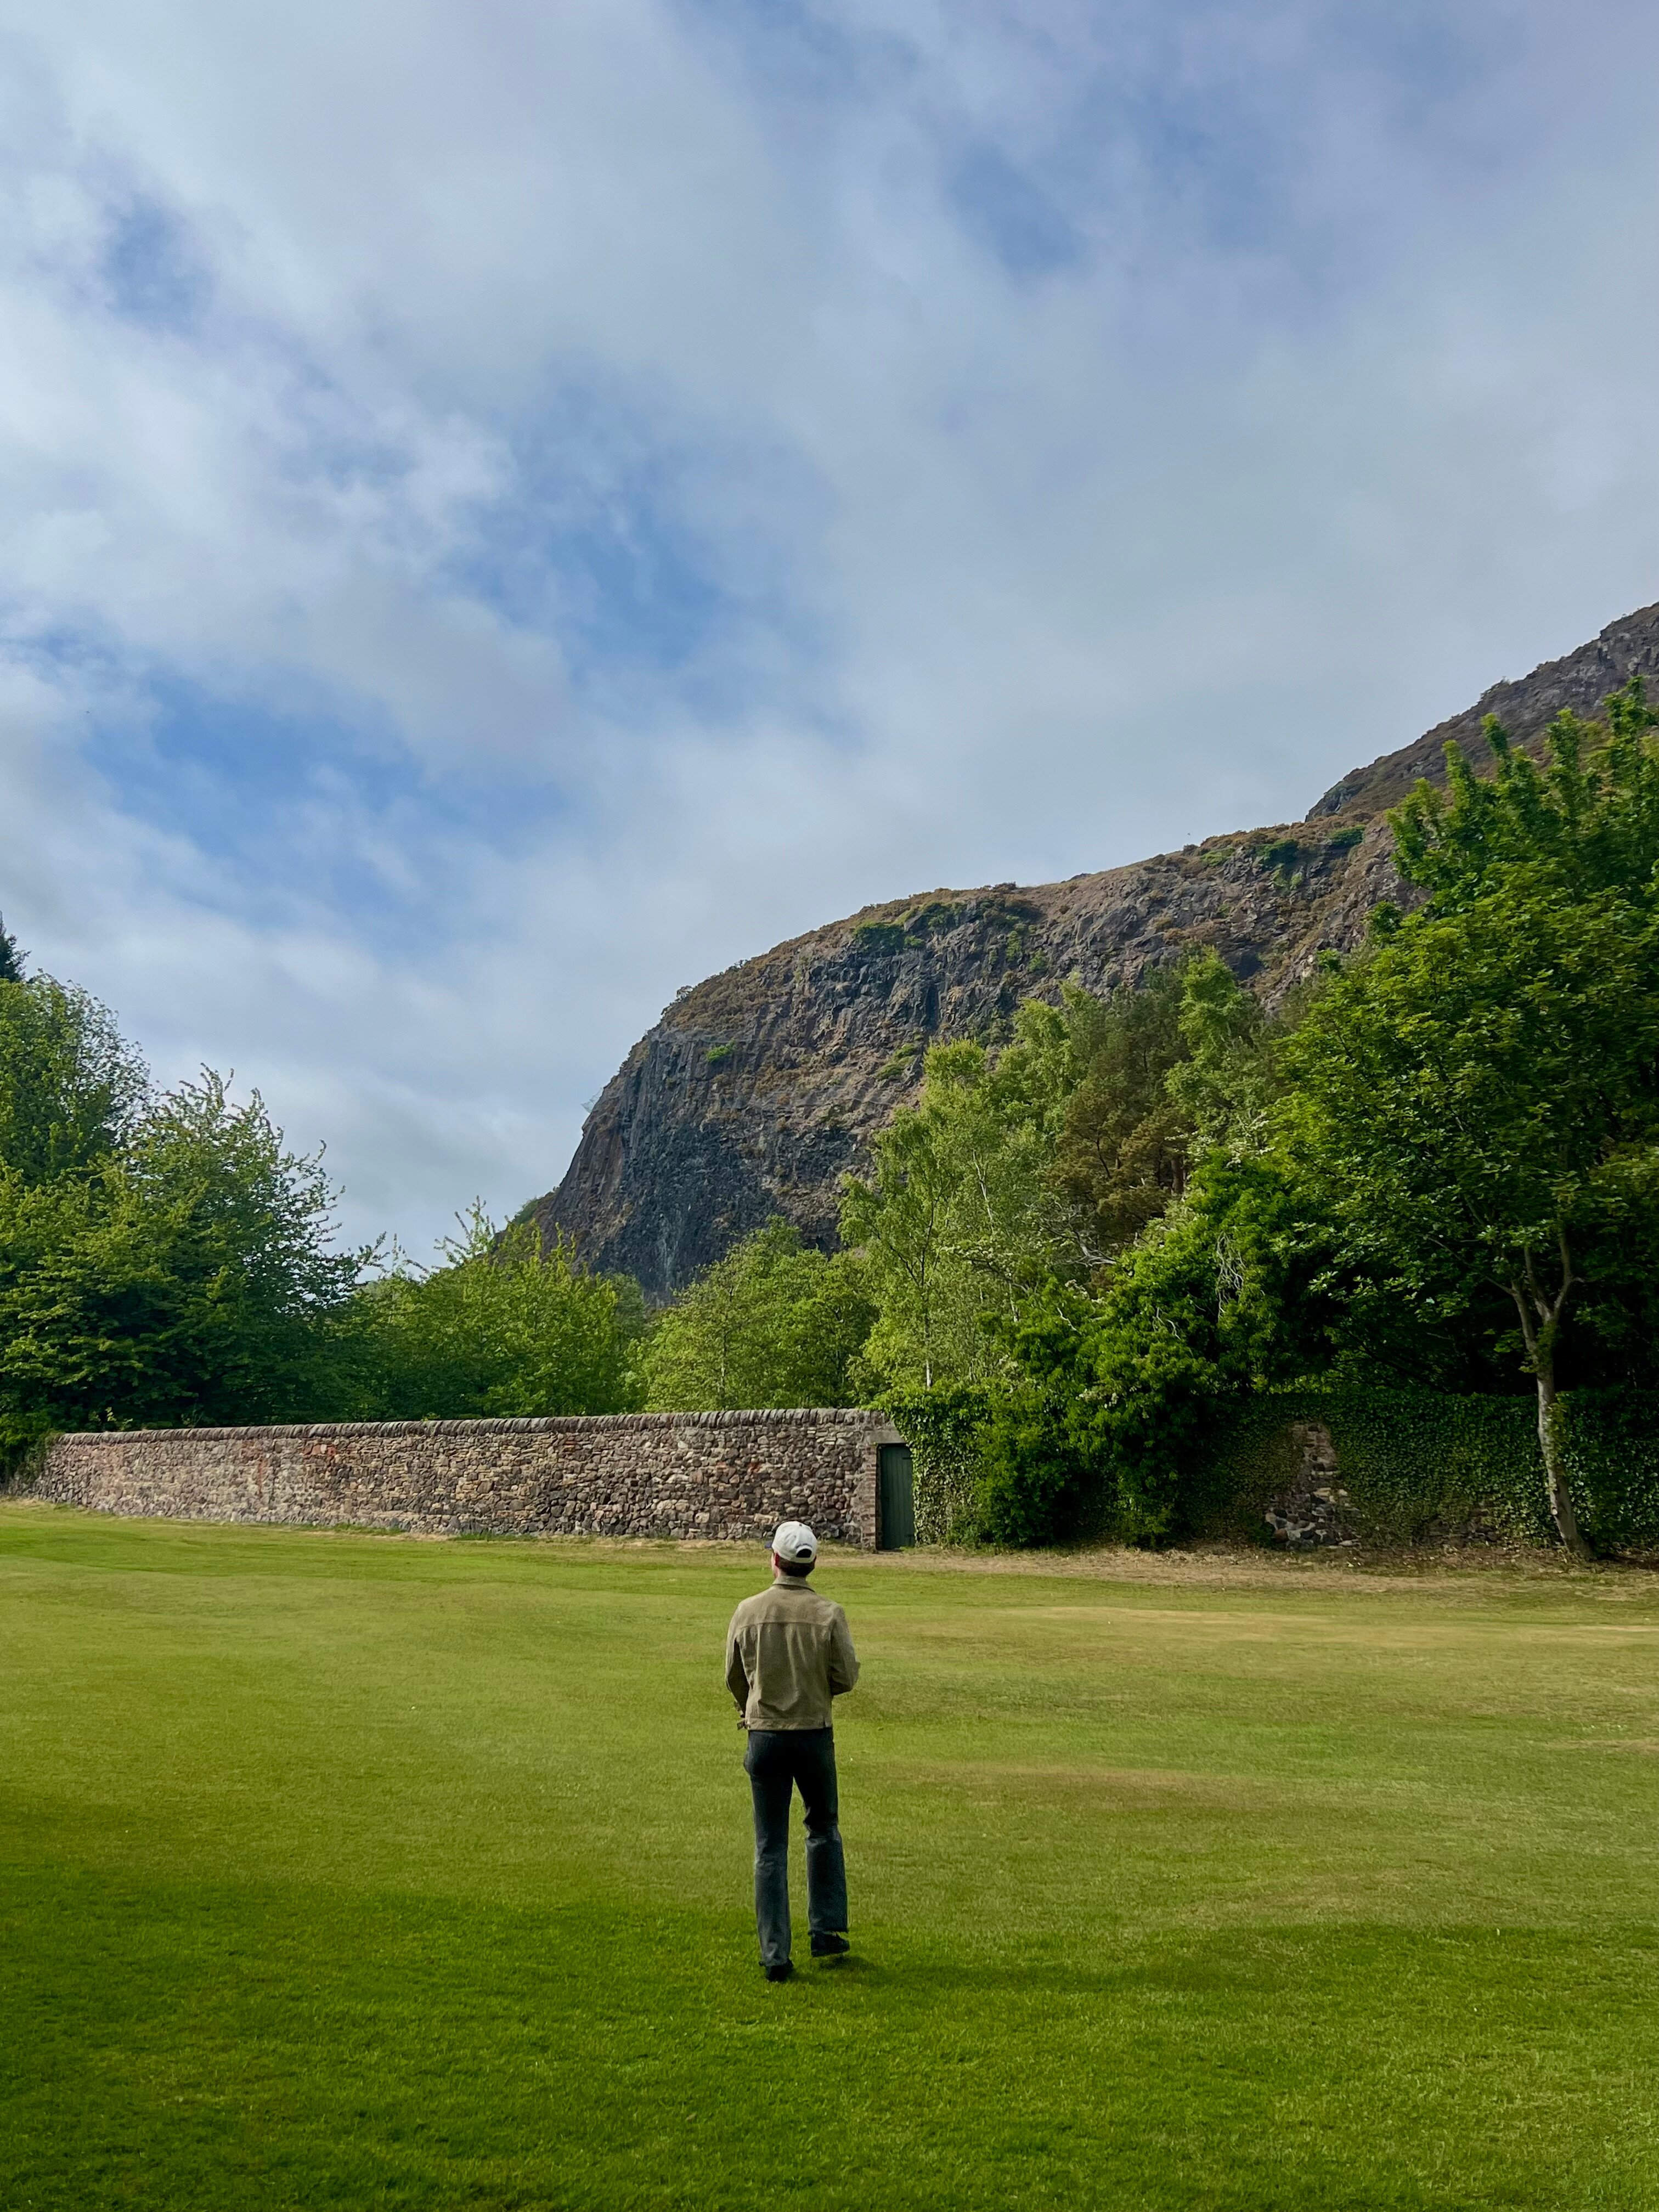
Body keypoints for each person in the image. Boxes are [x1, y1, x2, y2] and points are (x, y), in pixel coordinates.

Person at [724, 1520, 860, 1982]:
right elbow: (846, 1676)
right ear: (813, 1563)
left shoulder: (747, 1611)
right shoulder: (829, 1614)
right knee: (823, 1827)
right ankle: (825, 1930)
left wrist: (751, 1707)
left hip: (764, 1736)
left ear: (775, 1560)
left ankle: (775, 1953)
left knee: (769, 1846)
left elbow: (733, 1675)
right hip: (814, 1733)